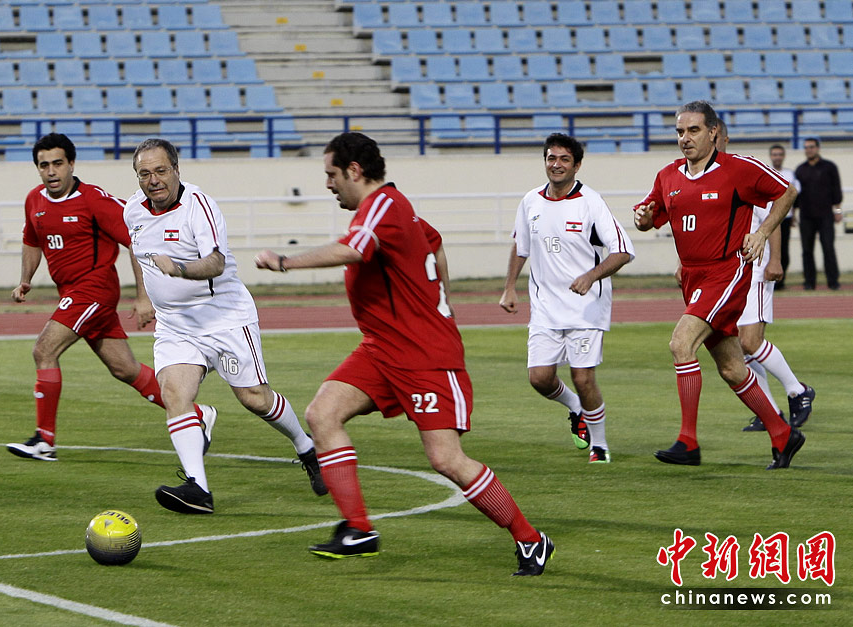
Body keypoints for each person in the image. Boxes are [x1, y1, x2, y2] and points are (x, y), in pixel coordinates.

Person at [255, 132, 553, 576]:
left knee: (446, 459)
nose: (328, 184)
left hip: (424, 355)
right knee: (322, 413)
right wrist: (443, 298)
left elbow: (354, 250)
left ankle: (531, 539)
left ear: (355, 170)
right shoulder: (392, 210)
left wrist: (284, 261)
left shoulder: (382, 205)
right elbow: (434, 240)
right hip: (381, 349)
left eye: (332, 174)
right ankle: (359, 529)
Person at [123, 138, 324, 515]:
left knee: (254, 398)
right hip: (175, 324)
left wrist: (179, 268)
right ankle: (198, 489)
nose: (153, 180)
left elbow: (215, 262)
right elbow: (138, 251)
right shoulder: (133, 210)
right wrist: (144, 295)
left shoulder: (199, 206)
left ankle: (307, 448)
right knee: (174, 393)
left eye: (161, 171)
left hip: (224, 318)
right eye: (144, 174)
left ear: (176, 169)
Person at [7, 133, 215, 462]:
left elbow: (138, 239)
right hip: (72, 294)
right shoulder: (34, 200)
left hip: (95, 289)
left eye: (58, 163)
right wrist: (25, 280)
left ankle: (44, 440)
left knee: (44, 350)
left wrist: (143, 296)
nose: (51, 171)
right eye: (44, 165)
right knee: (124, 369)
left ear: (71, 164)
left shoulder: (93, 200)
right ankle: (199, 414)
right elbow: (32, 240)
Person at [633, 101, 805, 470]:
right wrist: (642, 217)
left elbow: (787, 191)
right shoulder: (668, 176)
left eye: (693, 130)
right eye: (680, 131)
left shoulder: (738, 168)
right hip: (693, 277)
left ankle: (688, 442)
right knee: (731, 367)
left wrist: (762, 233)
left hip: (727, 272)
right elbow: (648, 218)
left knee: (681, 343)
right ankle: (782, 433)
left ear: (713, 133)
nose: (685, 138)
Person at [499, 133, 634, 464]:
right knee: (539, 378)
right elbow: (521, 246)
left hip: (586, 308)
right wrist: (510, 286)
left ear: (577, 165)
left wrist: (591, 276)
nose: (556, 165)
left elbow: (623, 251)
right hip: (545, 306)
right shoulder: (530, 201)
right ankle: (576, 407)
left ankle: (599, 446)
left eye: (564, 159)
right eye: (551, 158)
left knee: (582, 377)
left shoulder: (591, 202)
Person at [707, 128, 815, 432]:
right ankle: (771, 412)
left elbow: (773, 217)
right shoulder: (705, 178)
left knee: (750, 341)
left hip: (755, 267)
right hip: (728, 274)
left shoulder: (743, 171)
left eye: (714, 138)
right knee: (737, 346)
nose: (709, 144)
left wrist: (775, 259)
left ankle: (797, 391)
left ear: (724, 139)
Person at [794, 138, 843, 291]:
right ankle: (809, 282)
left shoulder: (829, 167)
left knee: (828, 248)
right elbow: (795, 195)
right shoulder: (800, 170)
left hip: (826, 215)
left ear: (817, 148)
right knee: (807, 250)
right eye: (806, 147)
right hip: (806, 216)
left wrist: (838, 211)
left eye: (811, 147)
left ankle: (833, 281)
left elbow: (836, 190)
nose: (809, 150)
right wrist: (794, 213)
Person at [767, 145, 800, 290]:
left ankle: (781, 281)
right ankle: (769, 279)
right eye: (775, 154)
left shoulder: (790, 174)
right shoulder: (766, 172)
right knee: (769, 249)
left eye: (780, 154)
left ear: (784, 156)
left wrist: (794, 215)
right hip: (769, 218)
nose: (777, 157)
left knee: (783, 249)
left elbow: (795, 196)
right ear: (771, 156)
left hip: (785, 218)